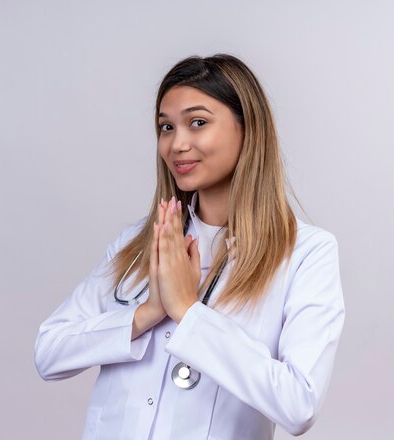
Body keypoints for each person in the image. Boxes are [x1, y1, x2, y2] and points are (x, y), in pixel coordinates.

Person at [34, 53, 345, 439]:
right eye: (166, 127)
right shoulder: (137, 244)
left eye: (197, 123)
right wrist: (145, 314)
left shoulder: (305, 254)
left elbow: (299, 405)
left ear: (248, 129)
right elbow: (49, 353)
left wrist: (188, 312)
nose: (177, 144)